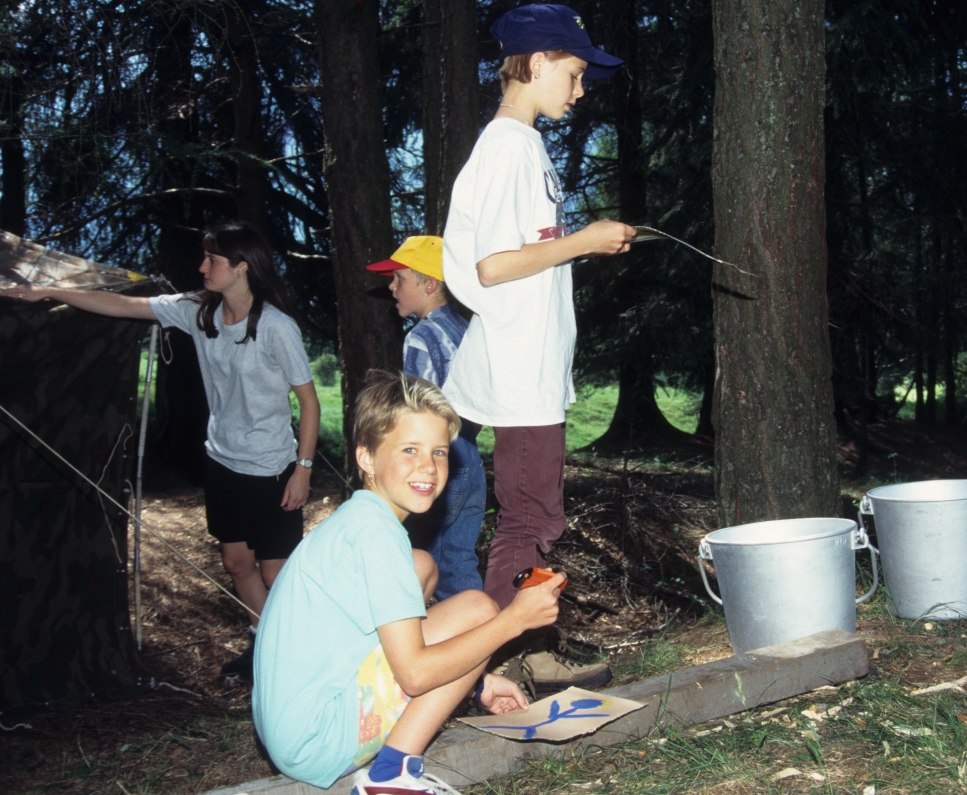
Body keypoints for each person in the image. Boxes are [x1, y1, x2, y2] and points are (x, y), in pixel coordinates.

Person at [1, 221, 319, 682]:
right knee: (236, 564)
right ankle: (263, 645)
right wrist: (49, 291)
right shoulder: (198, 311)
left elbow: (309, 402)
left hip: (272, 469)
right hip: (222, 462)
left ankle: (301, 659)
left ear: (242, 267)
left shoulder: (276, 327)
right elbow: (123, 305)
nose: (202, 267)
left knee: (277, 574)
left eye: (212, 259)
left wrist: (302, 469)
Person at [441, 3, 634, 694]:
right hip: (518, 371)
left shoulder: (523, 145)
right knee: (531, 516)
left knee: (533, 514)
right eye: (574, 73)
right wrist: (584, 241)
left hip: (529, 366)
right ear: (538, 60)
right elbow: (493, 266)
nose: (580, 91)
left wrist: (580, 243)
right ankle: (495, 663)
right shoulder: (508, 148)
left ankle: (526, 645)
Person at [252, 371, 561, 794]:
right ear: (366, 458)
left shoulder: (360, 519)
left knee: (422, 566)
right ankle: (391, 776)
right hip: (320, 739)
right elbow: (413, 675)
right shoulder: (377, 536)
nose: (428, 467)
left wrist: (475, 681)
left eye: (439, 452)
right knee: (479, 611)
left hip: (293, 728)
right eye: (409, 449)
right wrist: (514, 621)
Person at [366, 236, 486, 601]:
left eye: (399, 278)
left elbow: (416, 412)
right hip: (469, 458)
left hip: (433, 462)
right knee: (459, 562)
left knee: (420, 564)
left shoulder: (421, 336)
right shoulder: (467, 329)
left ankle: (417, 635)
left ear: (429, 284)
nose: (391, 287)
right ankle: (477, 628)